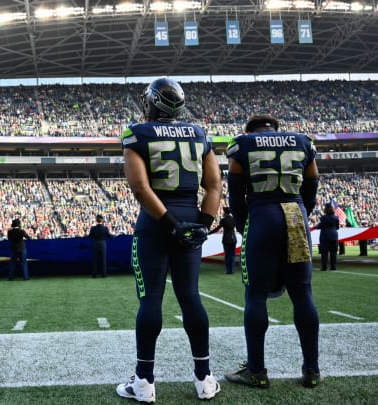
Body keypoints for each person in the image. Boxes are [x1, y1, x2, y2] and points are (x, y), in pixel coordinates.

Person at [116, 77, 222, 402]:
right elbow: (215, 185)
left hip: (156, 222)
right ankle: (204, 379)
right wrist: (202, 223)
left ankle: (144, 383)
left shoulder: (138, 133)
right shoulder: (199, 133)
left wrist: (170, 223)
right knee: (191, 297)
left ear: (151, 103)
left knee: (150, 300)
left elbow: (139, 188)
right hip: (189, 219)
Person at [224, 114, 321, 389]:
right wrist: (301, 213)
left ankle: (256, 370)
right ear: (275, 128)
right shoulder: (304, 141)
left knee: (255, 293)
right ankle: (311, 370)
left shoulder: (242, 143)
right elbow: (312, 184)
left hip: (262, 215)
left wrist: (246, 226)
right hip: (295, 213)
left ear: (249, 129)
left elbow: (235, 195)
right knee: (302, 293)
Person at [209, 207, 237, 274]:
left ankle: (228, 270)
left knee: (227, 255)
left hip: (226, 239)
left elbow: (217, 229)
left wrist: (209, 233)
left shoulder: (223, 220)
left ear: (225, 212)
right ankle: (232, 270)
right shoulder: (233, 219)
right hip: (233, 238)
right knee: (232, 255)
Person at [86, 214, 112, 278]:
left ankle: (94, 274)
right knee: (103, 260)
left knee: (95, 260)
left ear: (96, 220)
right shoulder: (105, 228)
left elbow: (89, 237)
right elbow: (109, 236)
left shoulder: (93, 228)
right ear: (102, 220)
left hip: (95, 244)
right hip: (103, 244)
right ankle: (104, 274)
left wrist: (84, 237)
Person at [317, 203, 339, 271]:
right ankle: (333, 266)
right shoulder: (336, 217)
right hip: (334, 236)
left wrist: (316, 226)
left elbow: (320, 226)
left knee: (324, 252)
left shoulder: (323, 217)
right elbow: (337, 227)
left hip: (325, 236)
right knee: (333, 252)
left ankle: (324, 267)